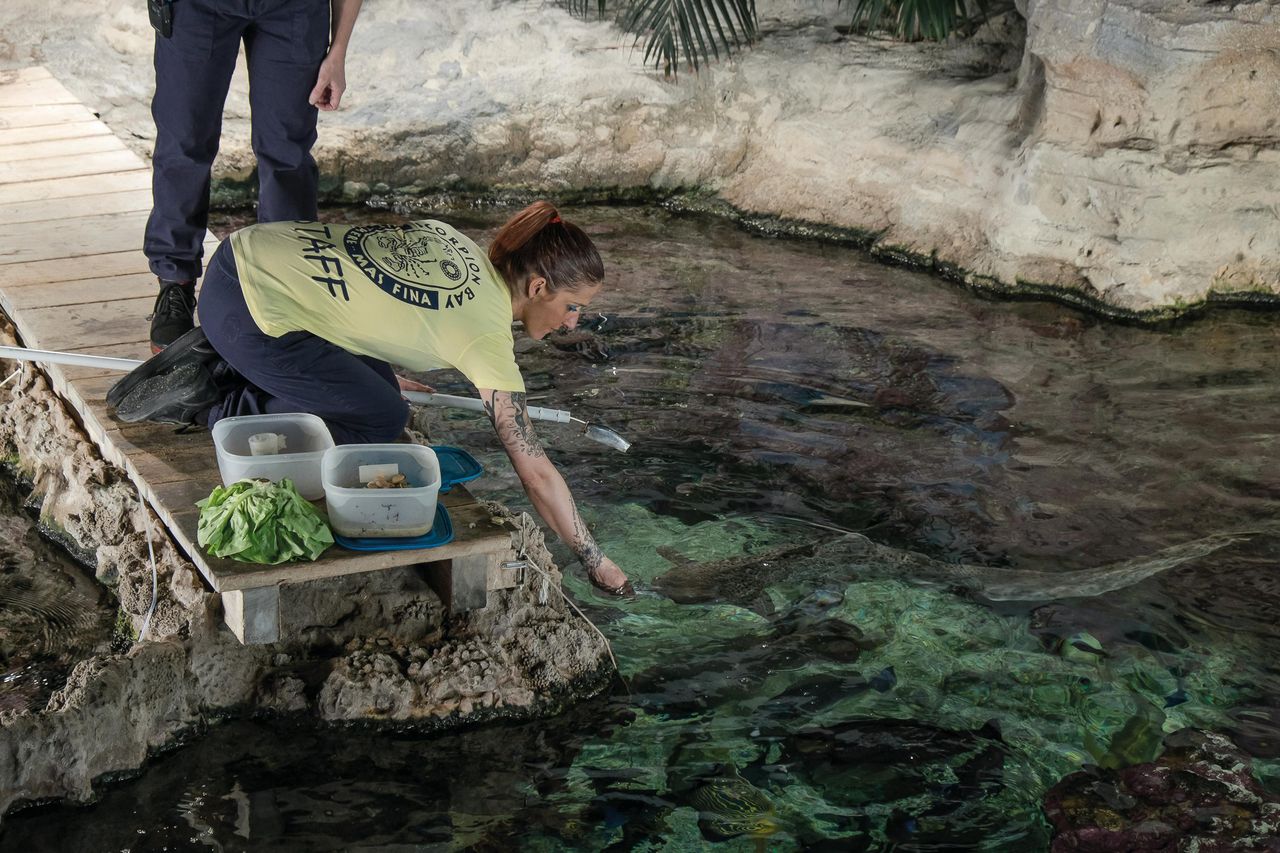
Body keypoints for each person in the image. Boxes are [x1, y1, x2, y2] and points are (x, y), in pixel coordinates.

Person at [109, 201, 634, 596]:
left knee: (380, 392)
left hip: (238, 259)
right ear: (539, 287)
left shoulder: (453, 242)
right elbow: (534, 469)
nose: (573, 322)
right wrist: (594, 560)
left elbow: (369, 290)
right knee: (381, 418)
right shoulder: (486, 338)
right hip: (250, 315)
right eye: (573, 306)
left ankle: (232, 358)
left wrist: (374, 368)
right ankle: (210, 397)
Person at [145, 0, 364, 354]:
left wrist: (338, 49)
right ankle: (175, 284)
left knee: (287, 154)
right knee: (183, 143)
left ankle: (284, 288)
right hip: (197, 9)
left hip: (292, 10)